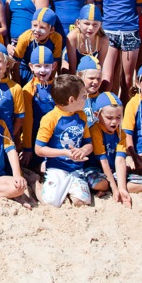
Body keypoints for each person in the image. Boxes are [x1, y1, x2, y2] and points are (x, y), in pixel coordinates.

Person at [35, 75, 93, 207]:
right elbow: (39, 149)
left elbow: (89, 144)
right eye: (83, 96)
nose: (86, 98)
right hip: (57, 167)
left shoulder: (81, 115)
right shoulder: (50, 118)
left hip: (76, 169)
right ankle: (35, 184)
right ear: (72, 100)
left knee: (82, 202)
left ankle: (68, 190)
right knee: (50, 202)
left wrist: (83, 150)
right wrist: (65, 153)